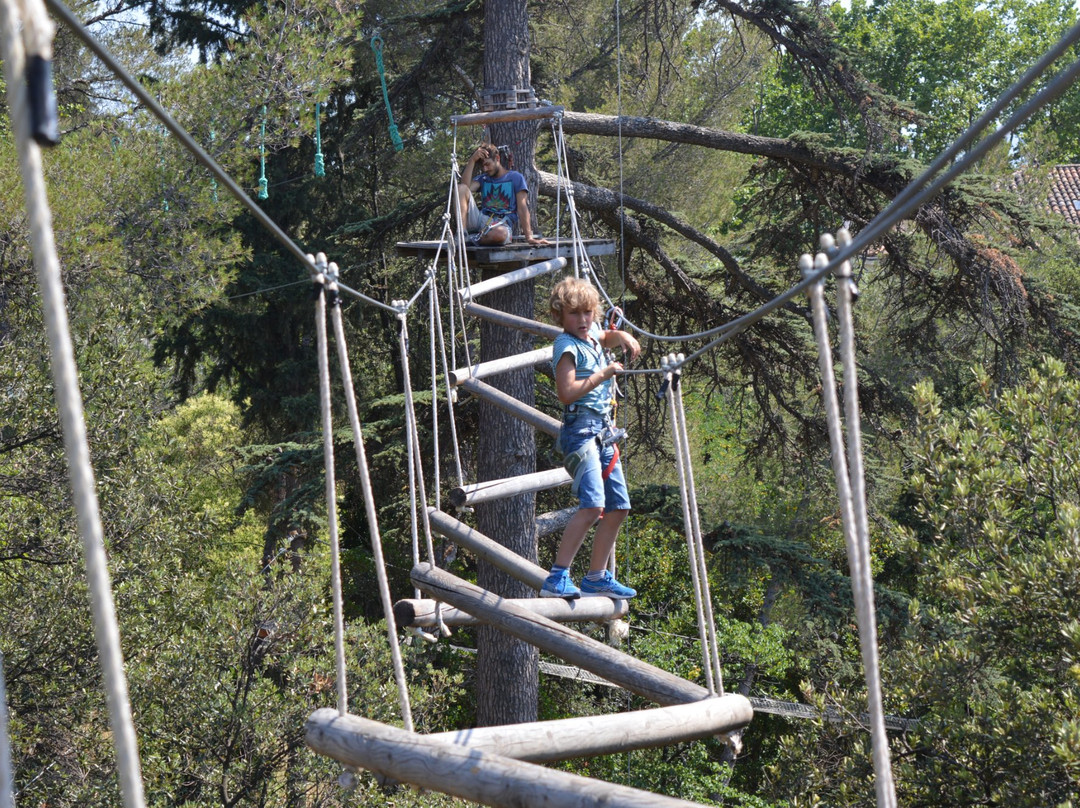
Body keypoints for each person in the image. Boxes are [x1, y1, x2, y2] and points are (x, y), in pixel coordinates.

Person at [540, 277, 641, 600]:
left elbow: (604, 335)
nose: (583, 321)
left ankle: (596, 576)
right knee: (593, 505)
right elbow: (566, 393)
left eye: (587, 313)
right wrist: (604, 374)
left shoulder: (592, 335)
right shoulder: (566, 346)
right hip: (580, 432)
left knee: (619, 506)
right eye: (574, 315)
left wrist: (621, 334)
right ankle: (557, 577)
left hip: (602, 433)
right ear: (560, 317)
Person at [457, 142, 548, 246]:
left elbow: (522, 208)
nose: (485, 169)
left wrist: (529, 237)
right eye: (483, 167)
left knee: (499, 234)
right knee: (461, 188)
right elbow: (463, 188)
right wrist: (472, 160)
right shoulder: (483, 178)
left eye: (487, 164)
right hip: (480, 219)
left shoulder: (516, 177)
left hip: (502, 224)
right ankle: (462, 234)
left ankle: (475, 239)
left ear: (497, 158)